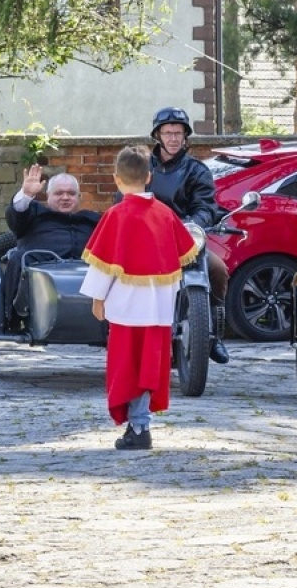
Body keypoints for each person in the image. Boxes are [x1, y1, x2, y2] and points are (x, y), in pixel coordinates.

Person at [81, 145, 198, 450]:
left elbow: (103, 265)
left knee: (127, 369)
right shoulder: (165, 214)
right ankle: (141, 424)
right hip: (159, 311)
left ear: (116, 179)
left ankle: (139, 429)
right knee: (149, 368)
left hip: (125, 310)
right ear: (149, 177)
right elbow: (184, 256)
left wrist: (97, 298)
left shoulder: (116, 215)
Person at [147, 106, 231, 364]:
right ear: (158, 136)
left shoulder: (197, 170)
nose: (173, 138)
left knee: (218, 271)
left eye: (178, 133)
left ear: (185, 137)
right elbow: (127, 196)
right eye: (168, 132)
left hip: (186, 238)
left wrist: (193, 225)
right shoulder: (143, 166)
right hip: (150, 239)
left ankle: (215, 335)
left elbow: (205, 206)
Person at [1, 167, 101, 323]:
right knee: (18, 257)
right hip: (40, 264)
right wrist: (27, 195)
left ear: (79, 197)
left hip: (85, 269)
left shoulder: (92, 219)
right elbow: (16, 216)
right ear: (48, 196)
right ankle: (11, 319)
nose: (65, 197)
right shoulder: (34, 214)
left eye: (71, 193)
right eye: (59, 193)